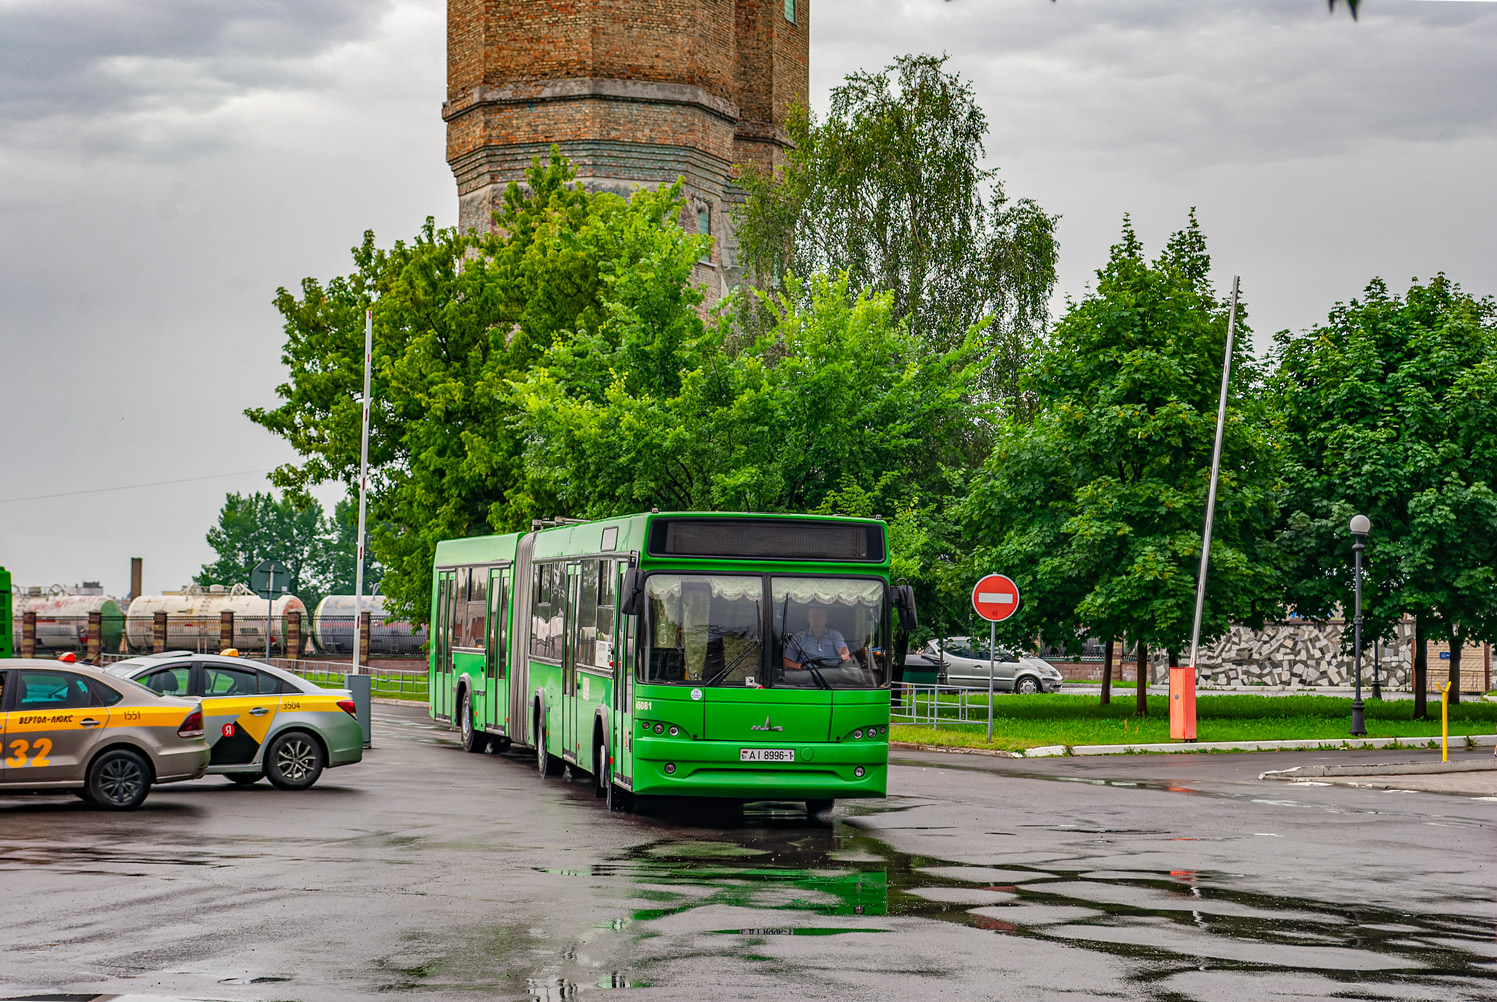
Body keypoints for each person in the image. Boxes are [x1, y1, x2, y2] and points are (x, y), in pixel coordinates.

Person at [783, 607, 850, 670]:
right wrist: (800, 667)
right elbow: (786, 662)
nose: (817, 619)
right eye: (813, 616)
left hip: (833, 677)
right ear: (808, 619)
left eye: (820, 616)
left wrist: (844, 654)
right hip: (806, 677)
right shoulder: (799, 638)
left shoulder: (835, 636)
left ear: (826, 618)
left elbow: (843, 649)